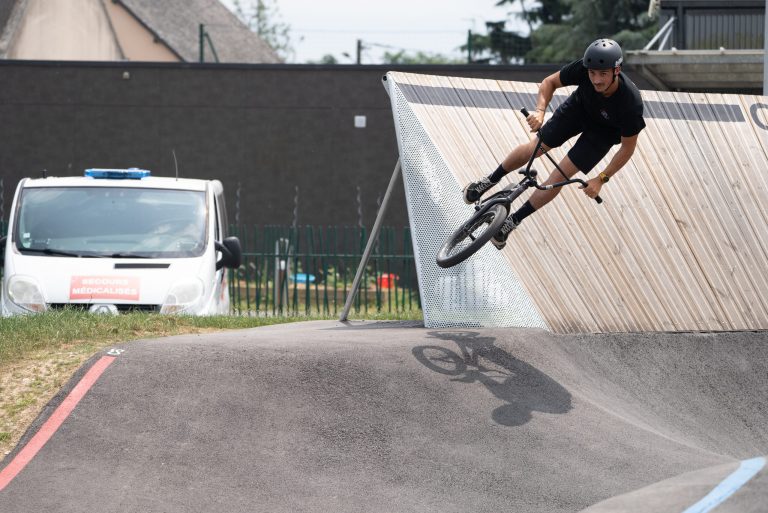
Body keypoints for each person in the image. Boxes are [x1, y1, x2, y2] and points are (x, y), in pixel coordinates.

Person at [462, 38, 646, 249]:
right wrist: (540, 112)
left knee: (561, 174)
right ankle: (488, 181)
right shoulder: (583, 68)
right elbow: (549, 82)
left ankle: (513, 221)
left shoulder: (630, 104)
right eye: (592, 73)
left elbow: (627, 148)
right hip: (580, 109)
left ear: (616, 70)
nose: (596, 79)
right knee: (537, 147)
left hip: (604, 132)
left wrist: (601, 179)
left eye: (602, 74)